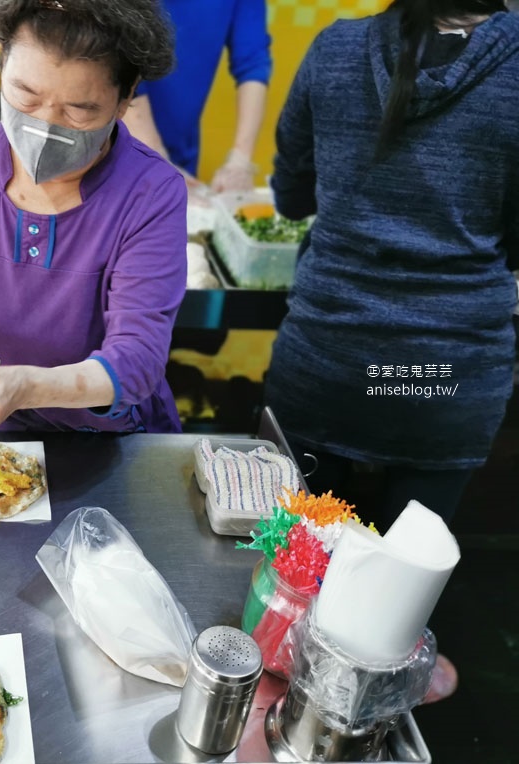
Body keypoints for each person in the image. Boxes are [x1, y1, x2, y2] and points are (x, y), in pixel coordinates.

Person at [0, 0, 187, 459]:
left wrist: (26, 387)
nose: (44, 127)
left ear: (125, 100)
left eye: (79, 110)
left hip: (109, 446)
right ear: (2, 64)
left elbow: (137, 360)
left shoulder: (151, 193)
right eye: (25, 96)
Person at [264, 0, 519, 532]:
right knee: (402, 582)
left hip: (328, 364)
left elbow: (291, 195)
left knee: (294, 569)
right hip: (442, 378)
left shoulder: (334, 48)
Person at [123, 0, 272, 191]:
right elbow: (120, 62)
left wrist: (240, 160)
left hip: (180, 154)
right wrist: (157, 159)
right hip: (108, 153)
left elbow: (253, 63)